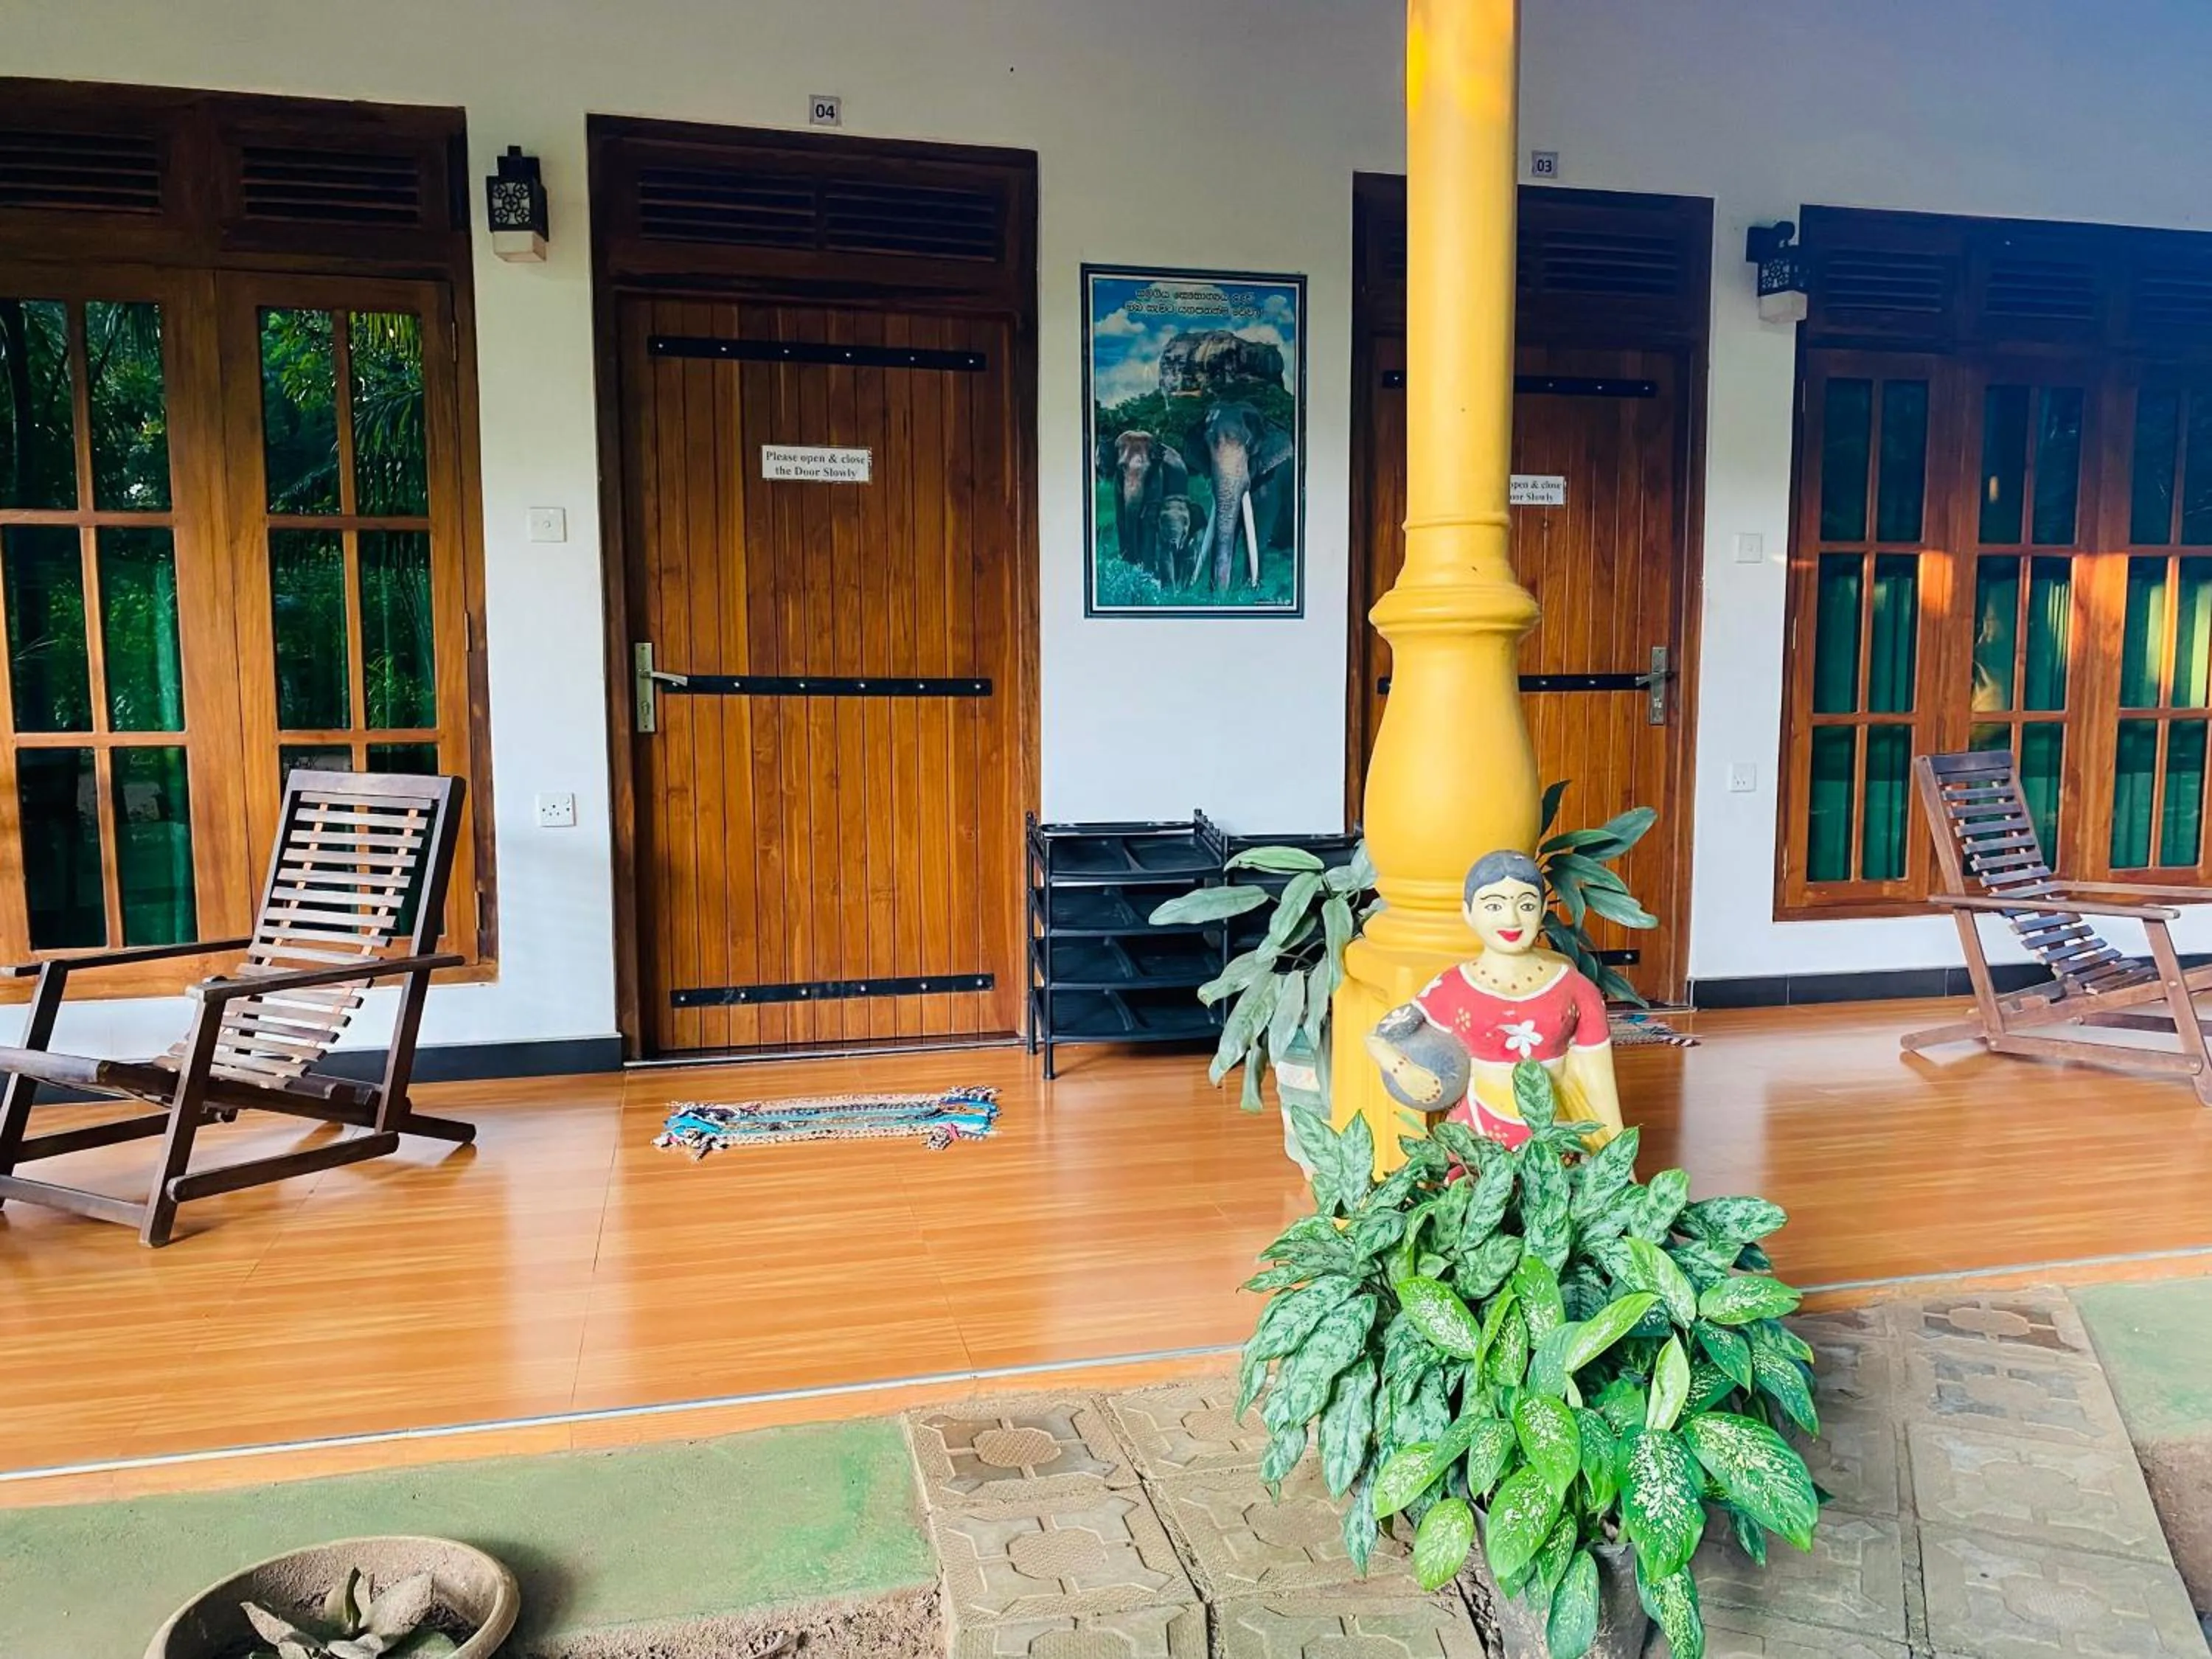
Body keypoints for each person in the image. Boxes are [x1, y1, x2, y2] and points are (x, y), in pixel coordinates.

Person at [1363, 849, 1624, 1150]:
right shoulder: (1452, 985)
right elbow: (1377, 1037)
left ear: (1542, 912)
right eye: (1494, 906)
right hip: (1477, 1133)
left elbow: (1599, 1083)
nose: (1511, 919)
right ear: (1469, 913)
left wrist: (1616, 1161)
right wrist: (1403, 1071)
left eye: (1526, 905)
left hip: (1555, 1138)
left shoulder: (1576, 989)